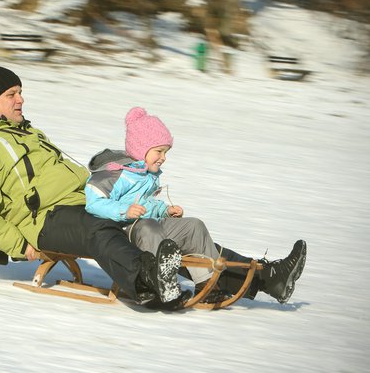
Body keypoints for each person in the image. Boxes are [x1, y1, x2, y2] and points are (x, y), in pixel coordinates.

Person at [0, 66, 188, 308]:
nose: (21, 99)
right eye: (11, 94)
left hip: (78, 203)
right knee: (97, 227)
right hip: (44, 220)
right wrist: (18, 245)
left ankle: (222, 274)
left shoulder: (30, 134)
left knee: (143, 215)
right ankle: (148, 282)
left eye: (20, 92)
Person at [84, 106, 307, 304]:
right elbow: (93, 201)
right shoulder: (116, 173)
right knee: (149, 228)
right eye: (159, 151)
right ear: (141, 148)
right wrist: (124, 210)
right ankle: (161, 283)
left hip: (148, 222)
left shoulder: (147, 175)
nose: (163, 158)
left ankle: (208, 285)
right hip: (125, 230)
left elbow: (147, 204)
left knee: (194, 226)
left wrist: (165, 210)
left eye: (166, 152)